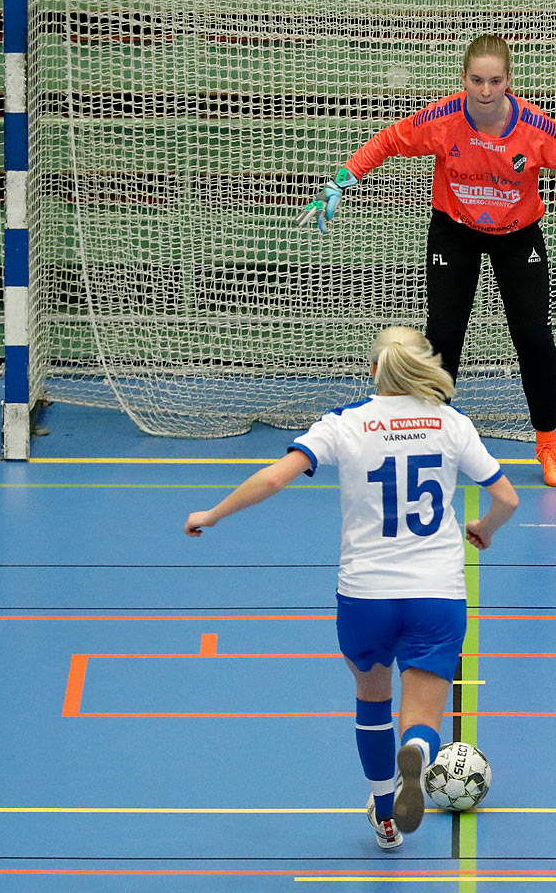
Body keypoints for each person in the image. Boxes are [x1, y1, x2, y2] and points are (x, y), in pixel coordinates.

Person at [184, 326, 519, 851]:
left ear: (373, 373)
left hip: (365, 595)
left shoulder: (345, 424)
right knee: (425, 712)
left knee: (370, 698)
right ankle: (417, 746)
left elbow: (274, 478)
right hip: (437, 593)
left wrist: (214, 513)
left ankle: (385, 814)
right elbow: (508, 498)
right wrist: (486, 528)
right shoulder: (452, 424)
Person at [296, 34, 556, 488]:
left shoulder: (535, 128)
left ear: (509, 80)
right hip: (455, 232)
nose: (486, 90)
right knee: (444, 334)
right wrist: (341, 181)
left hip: (517, 236)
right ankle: (434, 437)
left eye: (495, 81)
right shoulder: (442, 119)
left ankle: (547, 443)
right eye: (476, 80)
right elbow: (388, 140)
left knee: (533, 336)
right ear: (464, 79)